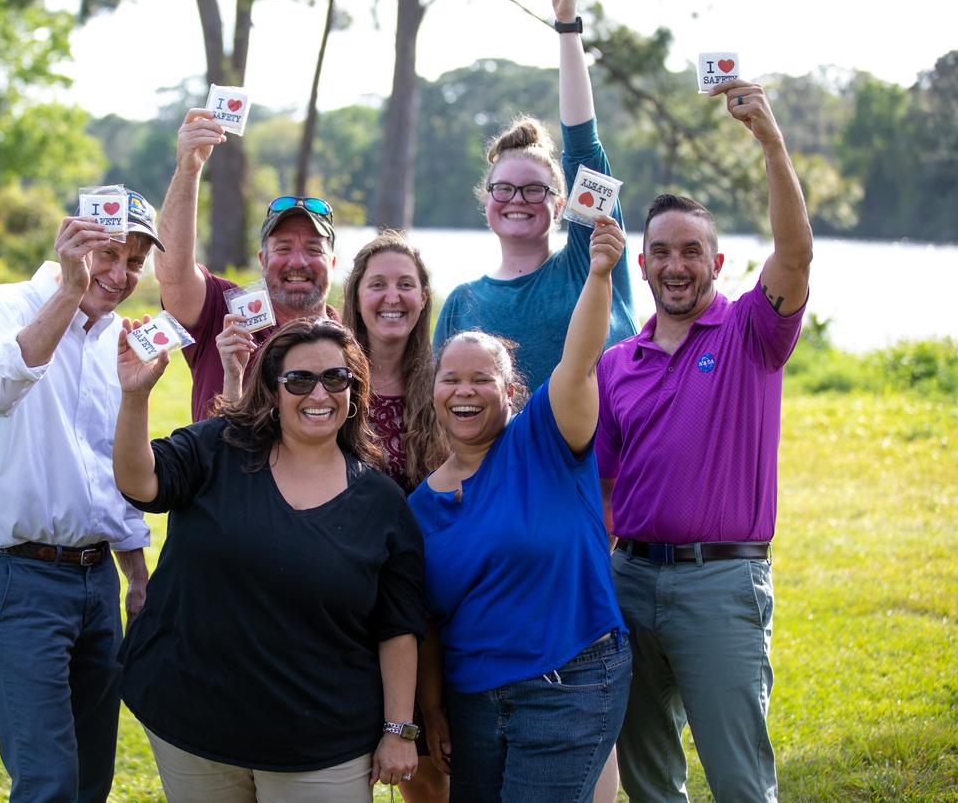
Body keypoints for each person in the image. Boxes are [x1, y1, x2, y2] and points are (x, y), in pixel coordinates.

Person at [596, 80, 813, 803]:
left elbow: (795, 251)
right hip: (631, 581)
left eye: (693, 251)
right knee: (651, 778)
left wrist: (771, 143)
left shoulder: (753, 331)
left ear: (716, 264)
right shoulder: (616, 364)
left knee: (740, 778)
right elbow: (602, 490)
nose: (677, 264)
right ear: (644, 264)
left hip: (721, 583)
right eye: (663, 252)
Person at [113, 317, 426, 802]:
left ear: (354, 390)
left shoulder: (383, 503)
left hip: (323, 742)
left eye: (336, 378)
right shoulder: (216, 448)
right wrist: (134, 396)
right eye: (299, 380)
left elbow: (398, 626)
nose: (318, 394)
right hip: (195, 724)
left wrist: (398, 729)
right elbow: (140, 483)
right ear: (273, 390)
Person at [217, 232, 451, 803]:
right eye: (377, 284)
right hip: (332, 603)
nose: (391, 297)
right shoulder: (324, 374)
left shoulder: (446, 380)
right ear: (355, 295)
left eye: (405, 284)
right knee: (336, 762)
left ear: (424, 297)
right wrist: (232, 374)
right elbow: (249, 447)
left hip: (429, 608)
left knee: (426, 771)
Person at [410, 216, 633, 803]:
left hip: (571, 679)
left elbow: (579, 360)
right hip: (474, 701)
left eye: (481, 379)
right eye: (450, 379)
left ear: (510, 393)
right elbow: (426, 622)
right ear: (433, 392)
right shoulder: (419, 505)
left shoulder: (546, 439)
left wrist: (601, 273)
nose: (464, 390)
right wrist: (432, 709)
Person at [0, 191, 161, 800]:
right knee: (47, 780)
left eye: (135, 262)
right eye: (109, 255)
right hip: (20, 580)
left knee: (93, 777)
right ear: (74, 240)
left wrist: (136, 574)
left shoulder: (116, 336)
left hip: (98, 582)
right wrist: (69, 292)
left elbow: (110, 466)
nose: (120, 276)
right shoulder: (4, 305)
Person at [432, 0, 637, 392]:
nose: (517, 199)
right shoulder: (461, 303)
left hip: (602, 461)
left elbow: (583, 145)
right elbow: (441, 406)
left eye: (534, 190)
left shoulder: (589, 258)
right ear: (486, 199)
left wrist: (567, 26)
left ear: (561, 205)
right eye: (503, 188)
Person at [153, 107, 340, 421]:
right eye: (283, 248)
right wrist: (188, 170)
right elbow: (171, 272)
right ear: (262, 260)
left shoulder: (348, 340)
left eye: (312, 249)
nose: (297, 261)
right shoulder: (224, 310)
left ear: (333, 263)